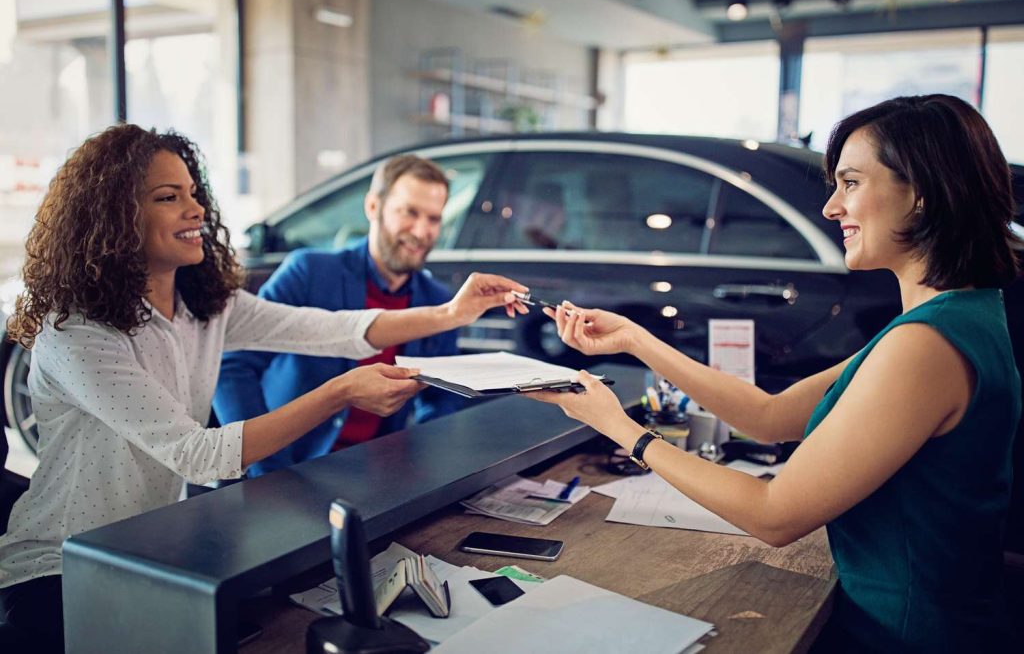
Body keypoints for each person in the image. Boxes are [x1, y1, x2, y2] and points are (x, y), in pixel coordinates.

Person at [0, 124, 529, 653]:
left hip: (151, 551)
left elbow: (333, 329)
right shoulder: (74, 331)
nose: (196, 210)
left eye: (193, 193)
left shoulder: (204, 305)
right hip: (59, 565)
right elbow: (199, 456)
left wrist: (451, 312)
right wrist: (340, 392)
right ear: (115, 219)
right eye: (169, 197)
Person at [529, 95, 1022, 651]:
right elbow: (768, 416)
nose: (832, 208)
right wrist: (637, 340)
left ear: (922, 195)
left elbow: (774, 515)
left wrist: (621, 429)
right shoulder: (957, 316)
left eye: (852, 183)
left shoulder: (924, 347)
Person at [214, 155, 462, 476]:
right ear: (373, 207)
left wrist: (423, 470)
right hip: (288, 465)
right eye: (410, 212)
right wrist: (264, 468)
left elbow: (441, 402)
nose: (421, 231)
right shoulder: (309, 272)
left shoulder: (438, 304)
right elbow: (233, 366)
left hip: (374, 473)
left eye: (433, 218)